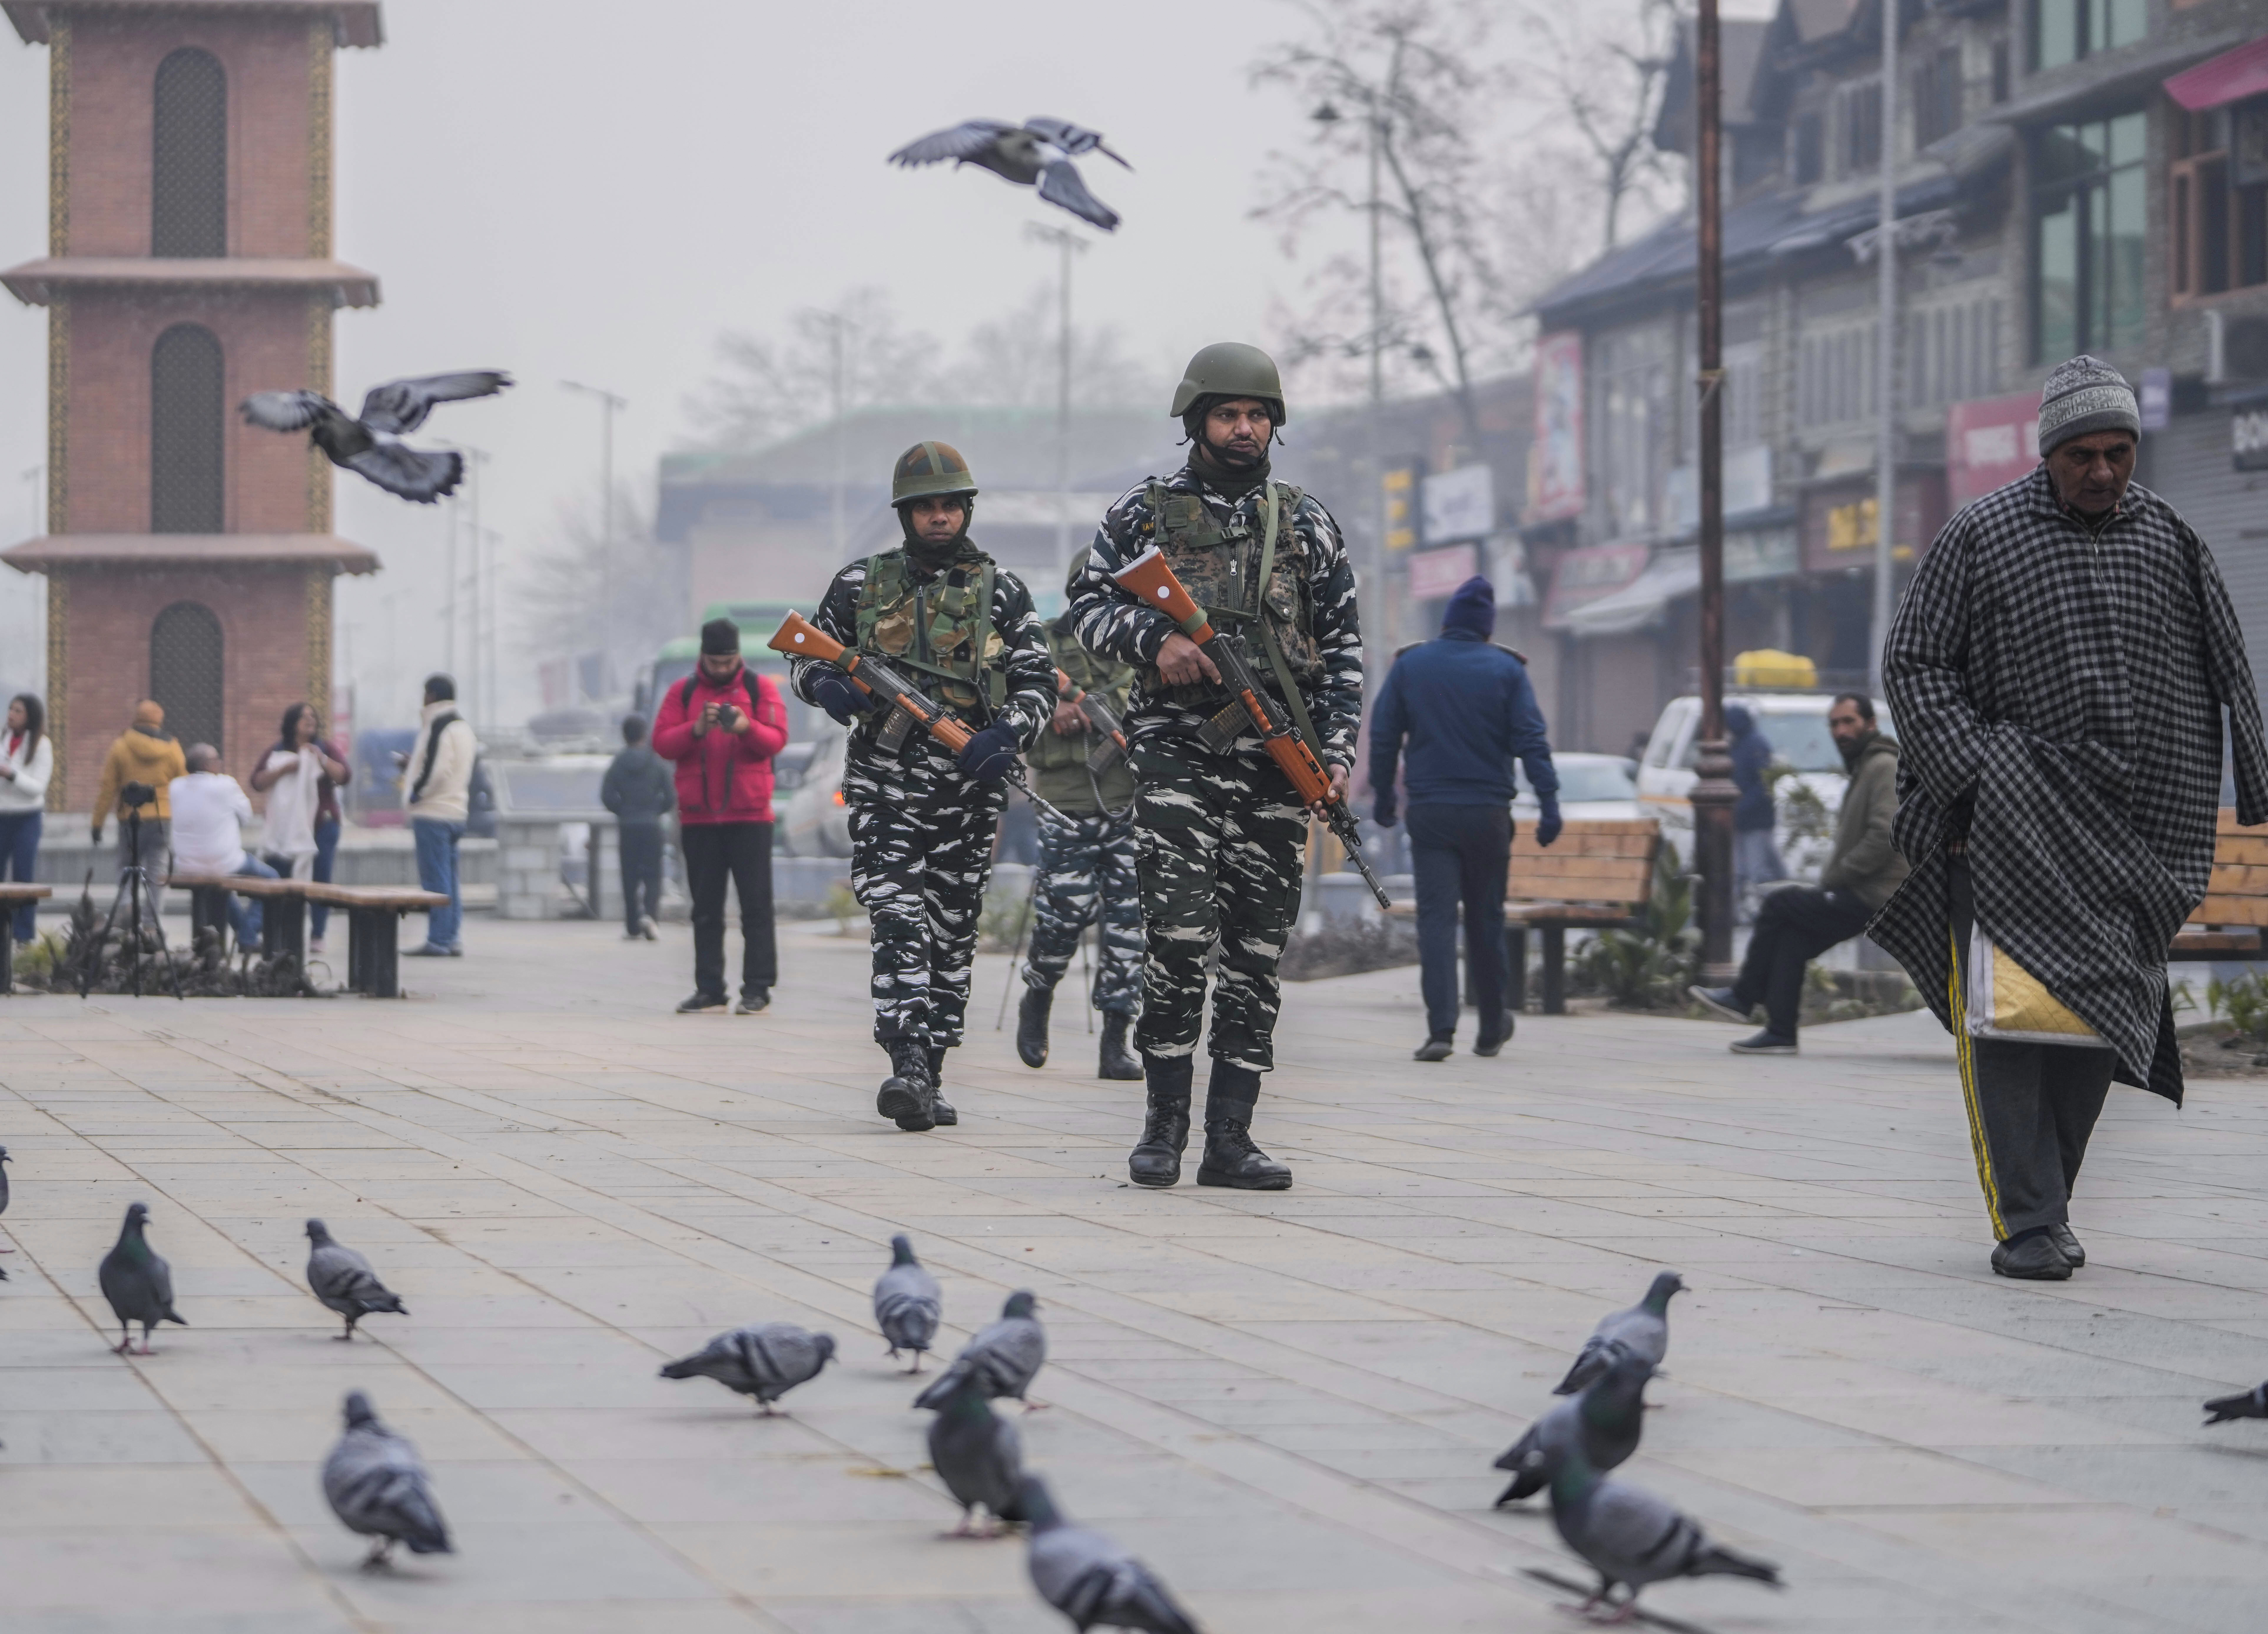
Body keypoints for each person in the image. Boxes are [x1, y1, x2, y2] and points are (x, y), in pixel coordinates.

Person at [1876, 355, 2268, 1282]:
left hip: (2133, 835)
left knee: (2099, 1017)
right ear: (2048, 453)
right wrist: (1976, 771)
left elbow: (2230, 662)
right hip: (2004, 824)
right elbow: (1916, 663)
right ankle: (2028, 1219)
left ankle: (2050, 1202)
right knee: (2008, 1023)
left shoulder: (2170, 538)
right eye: (2083, 455)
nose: (2102, 472)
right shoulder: (1980, 533)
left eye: (2119, 453)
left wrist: (2252, 783)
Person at [1068, 342, 1363, 1191]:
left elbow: (1342, 650)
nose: (1245, 429)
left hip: (1277, 758)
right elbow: (1086, 610)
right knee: (1179, 935)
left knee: (1257, 947)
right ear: (1196, 421)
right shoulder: (1144, 514)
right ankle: (1163, 1126)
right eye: (1229, 415)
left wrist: (1334, 757)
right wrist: (1154, 640)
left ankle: (1230, 1139)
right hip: (1177, 751)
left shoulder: (1306, 522)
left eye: (1258, 415)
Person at [786, 441, 1053, 1132]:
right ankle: (903, 1057)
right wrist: (826, 685)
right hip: (884, 787)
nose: (938, 518)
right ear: (905, 515)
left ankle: (930, 1071)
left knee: (951, 931)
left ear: (965, 510)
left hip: (966, 797)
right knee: (897, 918)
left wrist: (1007, 735)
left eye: (949, 506)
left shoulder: (1004, 592)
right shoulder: (858, 586)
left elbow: (1036, 683)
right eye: (925, 508)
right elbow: (802, 656)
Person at [1367, 575, 1558, 1062]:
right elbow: (1532, 740)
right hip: (1488, 815)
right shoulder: (1507, 671)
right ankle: (1492, 1027)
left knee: (1435, 920)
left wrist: (1387, 794)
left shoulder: (1411, 665)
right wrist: (1549, 800)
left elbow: (1385, 734)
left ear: (1447, 622)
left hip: (1430, 813)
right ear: (1487, 630)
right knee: (1485, 918)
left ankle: (1441, 1031)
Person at [1690, 693, 1906, 1055]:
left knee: (1779, 904)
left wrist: (1840, 874)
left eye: (1849, 722)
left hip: (1876, 895)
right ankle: (1780, 1032)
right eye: (1835, 724)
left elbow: (1885, 833)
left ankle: (1744, 996)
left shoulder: (1882, 765)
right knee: (1792, 937)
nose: (1841, 731)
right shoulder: (1865, 765)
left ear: (1870, 724)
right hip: (1865, 892)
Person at [1015, 567, 1144, 1082]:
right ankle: (1038, 995)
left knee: (1130, 926)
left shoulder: (1140, 644)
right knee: (1062, 915)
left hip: (1129, 805)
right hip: (1066, 801)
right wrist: (1053, 710)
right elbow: (1012, 700)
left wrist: (1103, 709)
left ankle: (1116, 1039)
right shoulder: (1043, 645)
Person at [650, 620, 786, 1010]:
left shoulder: (761, 689)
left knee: (757, 908)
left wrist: (746, 727)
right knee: (705, 909)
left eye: (728, 662)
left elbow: (776, 740)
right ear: (703, 658)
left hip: (751, 817)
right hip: (699, 819)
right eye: (715, 661)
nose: (722, 668)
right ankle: (710, 987)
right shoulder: (684, 692)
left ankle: (758, 988)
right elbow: (662, 743)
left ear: (738, 656)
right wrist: (695, 729)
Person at [250, 703, 351, 953]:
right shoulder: (277, 751)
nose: (310, 720)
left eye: (313, 717)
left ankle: (318, 933)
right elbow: (258, 782)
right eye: (304, 717)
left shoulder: (325, 748)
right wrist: (286, 769)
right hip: (287, 829)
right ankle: (281, 931)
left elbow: (343, 776)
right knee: (280, 880)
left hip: (322, 825)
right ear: (292, 722)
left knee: (321, 879)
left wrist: (320, 759)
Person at [168, 743, 280, 949]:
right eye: (217, 759)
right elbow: (246, 817)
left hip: (187, 865)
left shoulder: (175, 786)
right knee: (272, 878)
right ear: (206, 764)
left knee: (221, 889)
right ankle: (248, 934)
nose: (220, 763)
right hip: (225, 861)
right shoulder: (226, 785)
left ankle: (246, 936)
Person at [396, 675, 477, 958]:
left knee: (435, 881)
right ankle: (452, 937)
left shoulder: (438, 724)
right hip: (456, 812)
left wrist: (416, 791)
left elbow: (437, 770)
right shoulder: (463, 727)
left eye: (425, 693)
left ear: (431, 695)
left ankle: (439, 939)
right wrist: (414, 766)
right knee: (450, 879)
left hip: (434, 813)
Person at [91, 700, 188, 921]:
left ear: (136, 718)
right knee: (156, 872)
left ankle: (126, 908)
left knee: (126, 866)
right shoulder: (173, 747)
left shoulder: (121, 746)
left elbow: (107, 789)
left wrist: (97, 824)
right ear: (159, 720)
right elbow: (184, 783)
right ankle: (151, 924)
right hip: (162, 817)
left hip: (130, 818)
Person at [600, 713, 675, 943]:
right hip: (652, 825)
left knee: (629, 875)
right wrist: (655, 811)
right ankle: (650, 917)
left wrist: (623, 811)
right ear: (645, 734)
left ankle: (632, 925)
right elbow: (670, 796)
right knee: (653, 874)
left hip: (628, 826)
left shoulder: (618, 763)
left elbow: (607, 796)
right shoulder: (656, 762)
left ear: (624, 736)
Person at [0, 694, 52, 946]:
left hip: (27, 818)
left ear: (30, 716)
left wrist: (11, 775)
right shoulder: (2, 739)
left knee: (23, 875)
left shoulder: (41, 745)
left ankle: (24, 936)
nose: (11, 714)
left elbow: (37, 788)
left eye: (18, 711)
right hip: (2, 815)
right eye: (10, 709)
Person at [1728, 704, 1785, 911]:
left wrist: (1741, 806)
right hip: (1741, 820)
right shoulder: (1739, 744)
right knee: (1740, 870)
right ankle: (1743, 910)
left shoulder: (1755, 744)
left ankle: (1770, 908)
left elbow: (1763, 784)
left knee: (1759, 870)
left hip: (1756, 820)